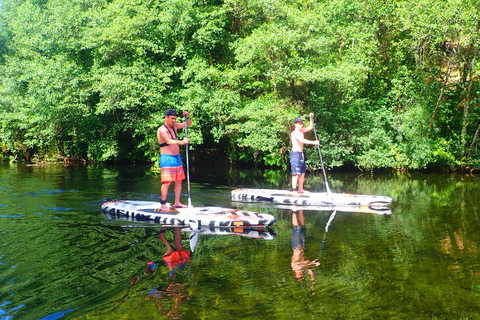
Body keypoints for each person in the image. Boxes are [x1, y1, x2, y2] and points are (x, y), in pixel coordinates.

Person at [158, 109, 192, 211]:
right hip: (167, 158)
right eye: (172, 118)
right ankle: (163, 204)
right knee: (167, 182)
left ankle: (177, 202)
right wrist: (182, 142)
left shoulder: (175, 126)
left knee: (179, 181)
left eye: (175, 119)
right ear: (166, 117)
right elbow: (168, 141)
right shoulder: (162, 129)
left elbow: (188, 124)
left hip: (177, 158)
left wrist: (187, 117)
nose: (173, 121)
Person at [291, 209, 319, 294]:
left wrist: (312, 263)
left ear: (296, 275)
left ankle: (294, 211)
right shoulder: (303, 268)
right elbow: (311, 272)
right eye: (302, 277)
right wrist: (312, 284)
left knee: (297, 228)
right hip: (302, 245)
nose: (301, 275)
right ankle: (301, 210)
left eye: (300, 276)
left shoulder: (295, 267)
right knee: (303, 227)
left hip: (296, 245)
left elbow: (302, 262)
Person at [290, 113, 319, 193]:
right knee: (296, 173)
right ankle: (294, 190)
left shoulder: (302, 131)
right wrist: (314, 142)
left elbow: (311, 126)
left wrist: (311, 117)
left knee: (302, 172)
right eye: (300, 123)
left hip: (301, 154)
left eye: (302, 123)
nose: (301, 125)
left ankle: (300, 189)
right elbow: (302, 140)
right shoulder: (294, 133)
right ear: (295, 124)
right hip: (295, 154)